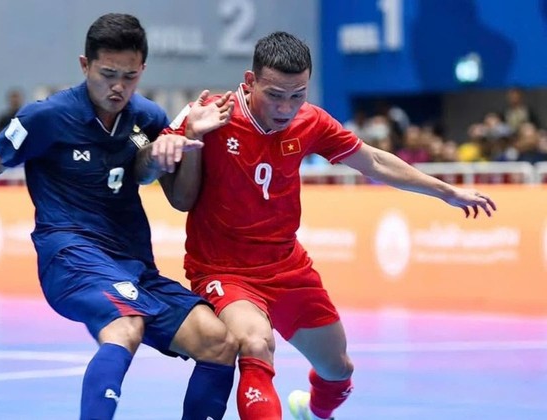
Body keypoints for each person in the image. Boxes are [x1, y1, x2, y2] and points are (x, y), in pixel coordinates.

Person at [0, 13, 239, 420]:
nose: (118, 87)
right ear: (85, 65)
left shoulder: (146, 120)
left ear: (143, 71)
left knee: (219, 342)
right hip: (70, 256)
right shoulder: (45, 117)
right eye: (107, 73)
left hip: (133, 265)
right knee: (125, 326)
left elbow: (180, 199)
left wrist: (191, 141)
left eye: (130, 76)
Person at [161, 31, 497, 420]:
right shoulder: (209, 111)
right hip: (224, 269)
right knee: (254, 343)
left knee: (338, 371)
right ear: (250, 82)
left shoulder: (310, 121)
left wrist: (445, 192)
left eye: (297, 95)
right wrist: (179, 141)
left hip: (287, 267)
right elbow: (153, 159)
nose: (286, 107)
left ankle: (313, 411)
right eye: (275, 95)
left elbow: (373, 161)